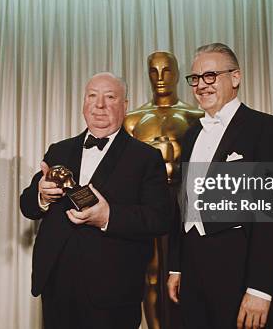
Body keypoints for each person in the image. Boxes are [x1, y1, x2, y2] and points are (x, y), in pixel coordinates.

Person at [20, 72, 171, 329]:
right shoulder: (60, 149)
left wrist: (108, 217)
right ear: (83, 103)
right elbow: (27, 206)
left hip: (113, 291)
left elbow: (160, 218)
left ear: (125, 106)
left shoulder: (146, 157)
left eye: (110, 97)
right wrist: (41, 195)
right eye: (92, 96)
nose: (99, 105)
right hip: (56, 284)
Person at [167, 43, 273, 329]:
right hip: (193, 270)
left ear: (235, 77)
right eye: (195, 78)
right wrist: (176, 266)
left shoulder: (267, 129)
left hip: (239, 270)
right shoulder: (191, 135)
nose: (201, 85)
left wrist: (261, 288)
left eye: (210, 76)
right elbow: (183, 206)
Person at [124, 50, 202, 329]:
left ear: (177, 74)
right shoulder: (133, 119)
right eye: (153, 71)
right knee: (152, 272)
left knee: (190, 267)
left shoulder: (195, 116)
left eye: (166, 70)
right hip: (148, 199)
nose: (159, 77)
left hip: (186, 195)